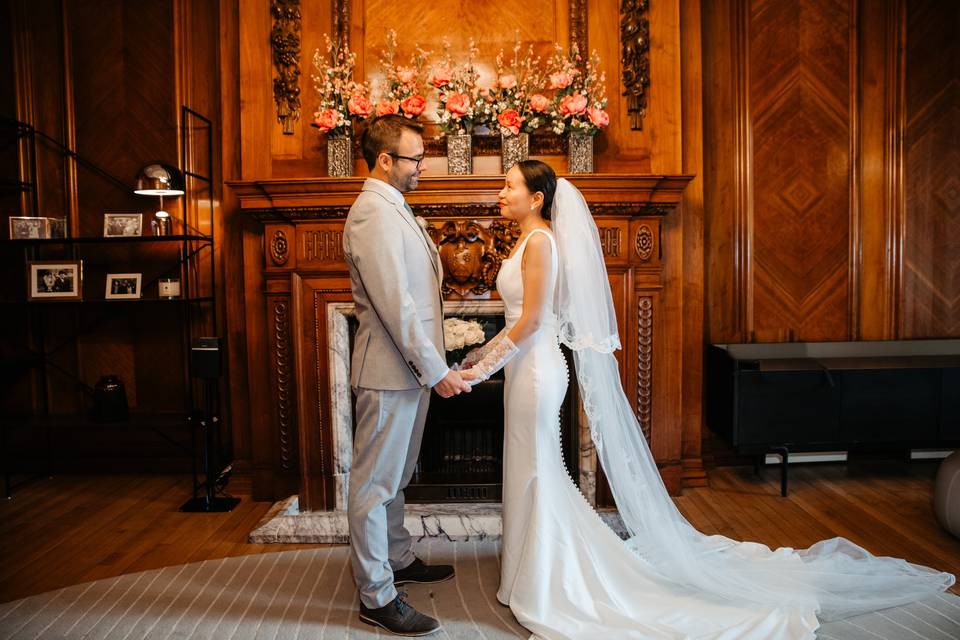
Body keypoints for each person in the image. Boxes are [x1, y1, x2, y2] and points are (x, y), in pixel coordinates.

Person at [458, 160, 954, 639]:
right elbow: (517, 318)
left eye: (509, 185)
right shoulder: (525, 238)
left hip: (539, 372)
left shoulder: (541, 242)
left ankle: (548, 580)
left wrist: (481, 367)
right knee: (526, 467)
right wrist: (484, 351)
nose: (500, 193)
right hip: (523, 369)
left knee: (539, 470)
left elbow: (533, 322)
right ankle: (525, 573)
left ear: (536, 197)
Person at [343, 114, 471, 637]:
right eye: (416, 158)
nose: (424, 167)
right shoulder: (372, 213)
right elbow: (397, 308)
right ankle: (376, 595)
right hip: (387, 370)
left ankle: (396, 559)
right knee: (374, 484)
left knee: (396, 476)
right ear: (385, 161)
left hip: (406, 372)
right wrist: (437, 370)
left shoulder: (395, 209)